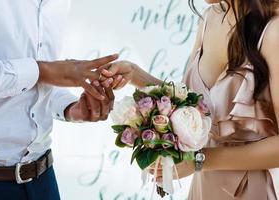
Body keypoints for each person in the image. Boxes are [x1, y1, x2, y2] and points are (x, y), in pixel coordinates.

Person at [99, 0, 279, 199]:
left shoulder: (273, 31)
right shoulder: (210, 18)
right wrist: (134, 74)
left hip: (251, 190)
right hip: (203, 187)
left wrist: (199, 161)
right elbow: (191, 105)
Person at [0, 0, 119, 199]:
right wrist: (41, 70)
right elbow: (38, 71)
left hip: (43, 180)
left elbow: (35, 79)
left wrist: (70, 108)